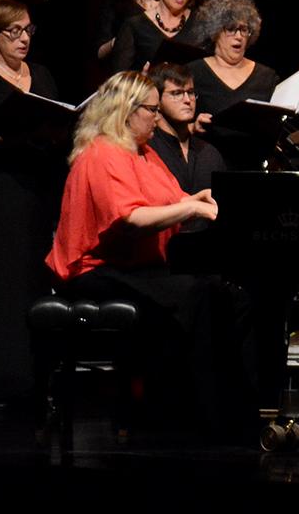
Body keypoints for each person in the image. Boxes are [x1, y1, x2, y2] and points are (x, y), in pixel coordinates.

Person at [43, 72, 260, 441]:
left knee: (229, 295)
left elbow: (171, 199)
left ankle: (231, 412)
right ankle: (193, 418)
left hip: (133, 268)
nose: (157, 119)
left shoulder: (144, 153)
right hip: (95, 270)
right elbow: (132, 218)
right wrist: (192, 211)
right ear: (127, 111)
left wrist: (200, 197)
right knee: (194, 295)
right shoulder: (103, 154)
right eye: (151, 111)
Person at [0, 0, 63, 409]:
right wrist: (28, 140)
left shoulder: (41, 75)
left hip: (37, 190)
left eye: (28, 30)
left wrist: (41, 139)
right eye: (14, 32)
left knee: (30, 283)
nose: (23, 39)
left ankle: (33, 382)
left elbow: (58, 124)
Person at [186, 0, 281, 170]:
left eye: (244, 30)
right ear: (215, 31)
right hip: (205, 165)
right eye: (231, 29)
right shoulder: (193, 72)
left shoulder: (267, 76)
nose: (238, 36)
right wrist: (192, 126)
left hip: (253, 168)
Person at [147, 63, 226, 202]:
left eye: (190, 92)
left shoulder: (209, 153)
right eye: (177, 93)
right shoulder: (147, 150)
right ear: (157, 100)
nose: (187, 100)